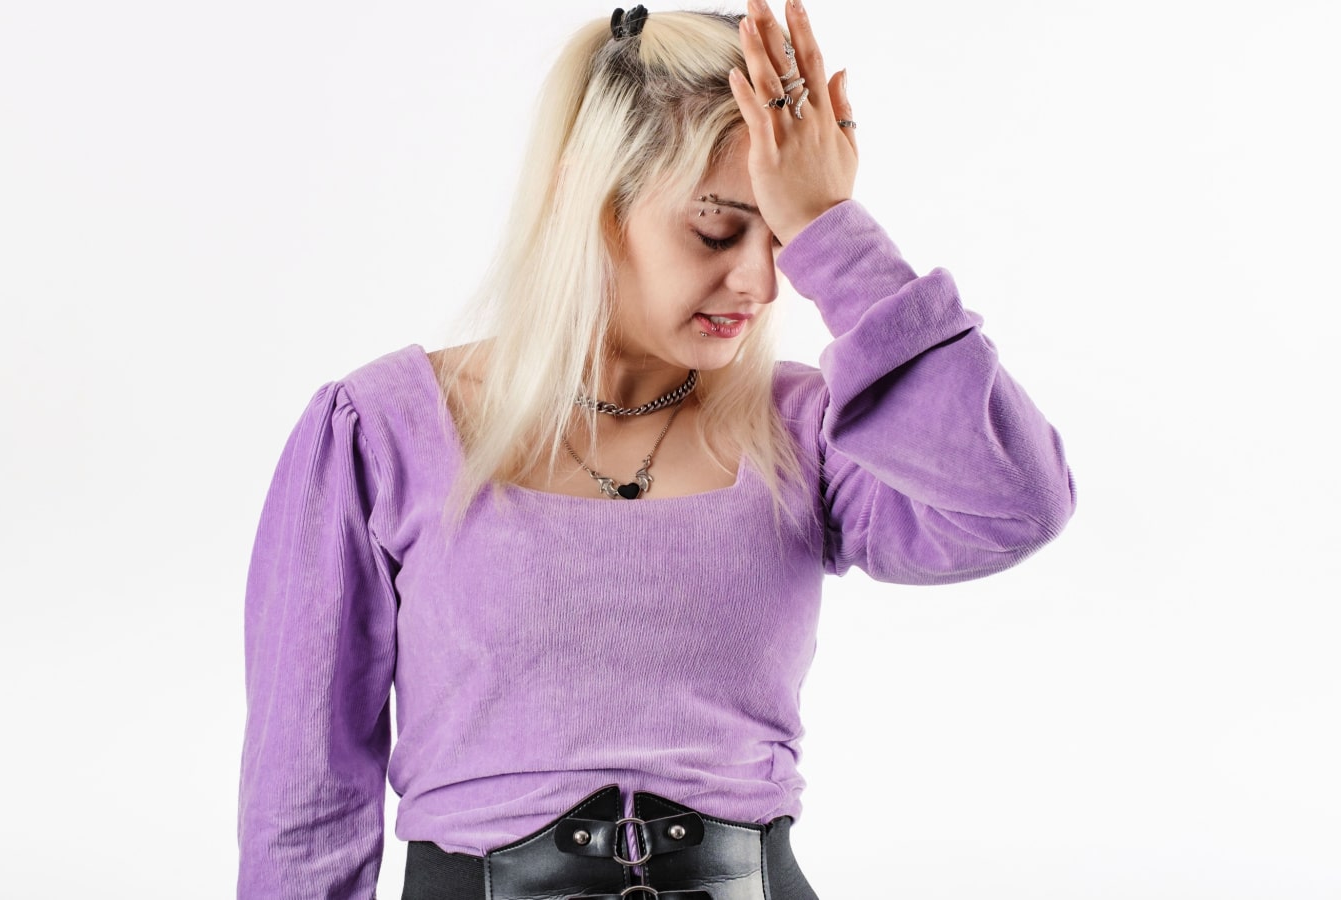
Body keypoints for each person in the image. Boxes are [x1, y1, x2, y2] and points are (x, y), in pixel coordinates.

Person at [238, 1, 1076, 897]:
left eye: (785, 240)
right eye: (717, 228)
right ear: (590, 200)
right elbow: (306, 806)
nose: (759, 281)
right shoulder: (377, 431)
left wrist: (837, 234)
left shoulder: (808, 430)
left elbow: (1016, 504)